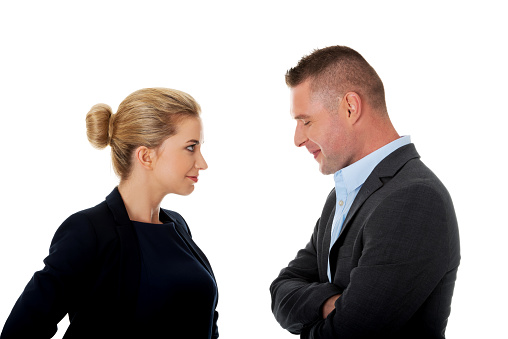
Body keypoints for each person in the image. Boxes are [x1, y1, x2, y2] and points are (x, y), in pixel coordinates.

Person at [270, 46, 460, 338]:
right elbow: (282, 288)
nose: (297, 139)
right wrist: (330, 304)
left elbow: (351, 333)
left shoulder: (415, 198)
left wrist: (319, 311)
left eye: (305, 121)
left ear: (350, 107)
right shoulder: (342, 196)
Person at [1, 88, 219, 338]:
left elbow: (206, 320)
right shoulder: (89, 231)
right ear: (146, 156)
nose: (203, 163)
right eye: (191, 148)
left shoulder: (177, 226)